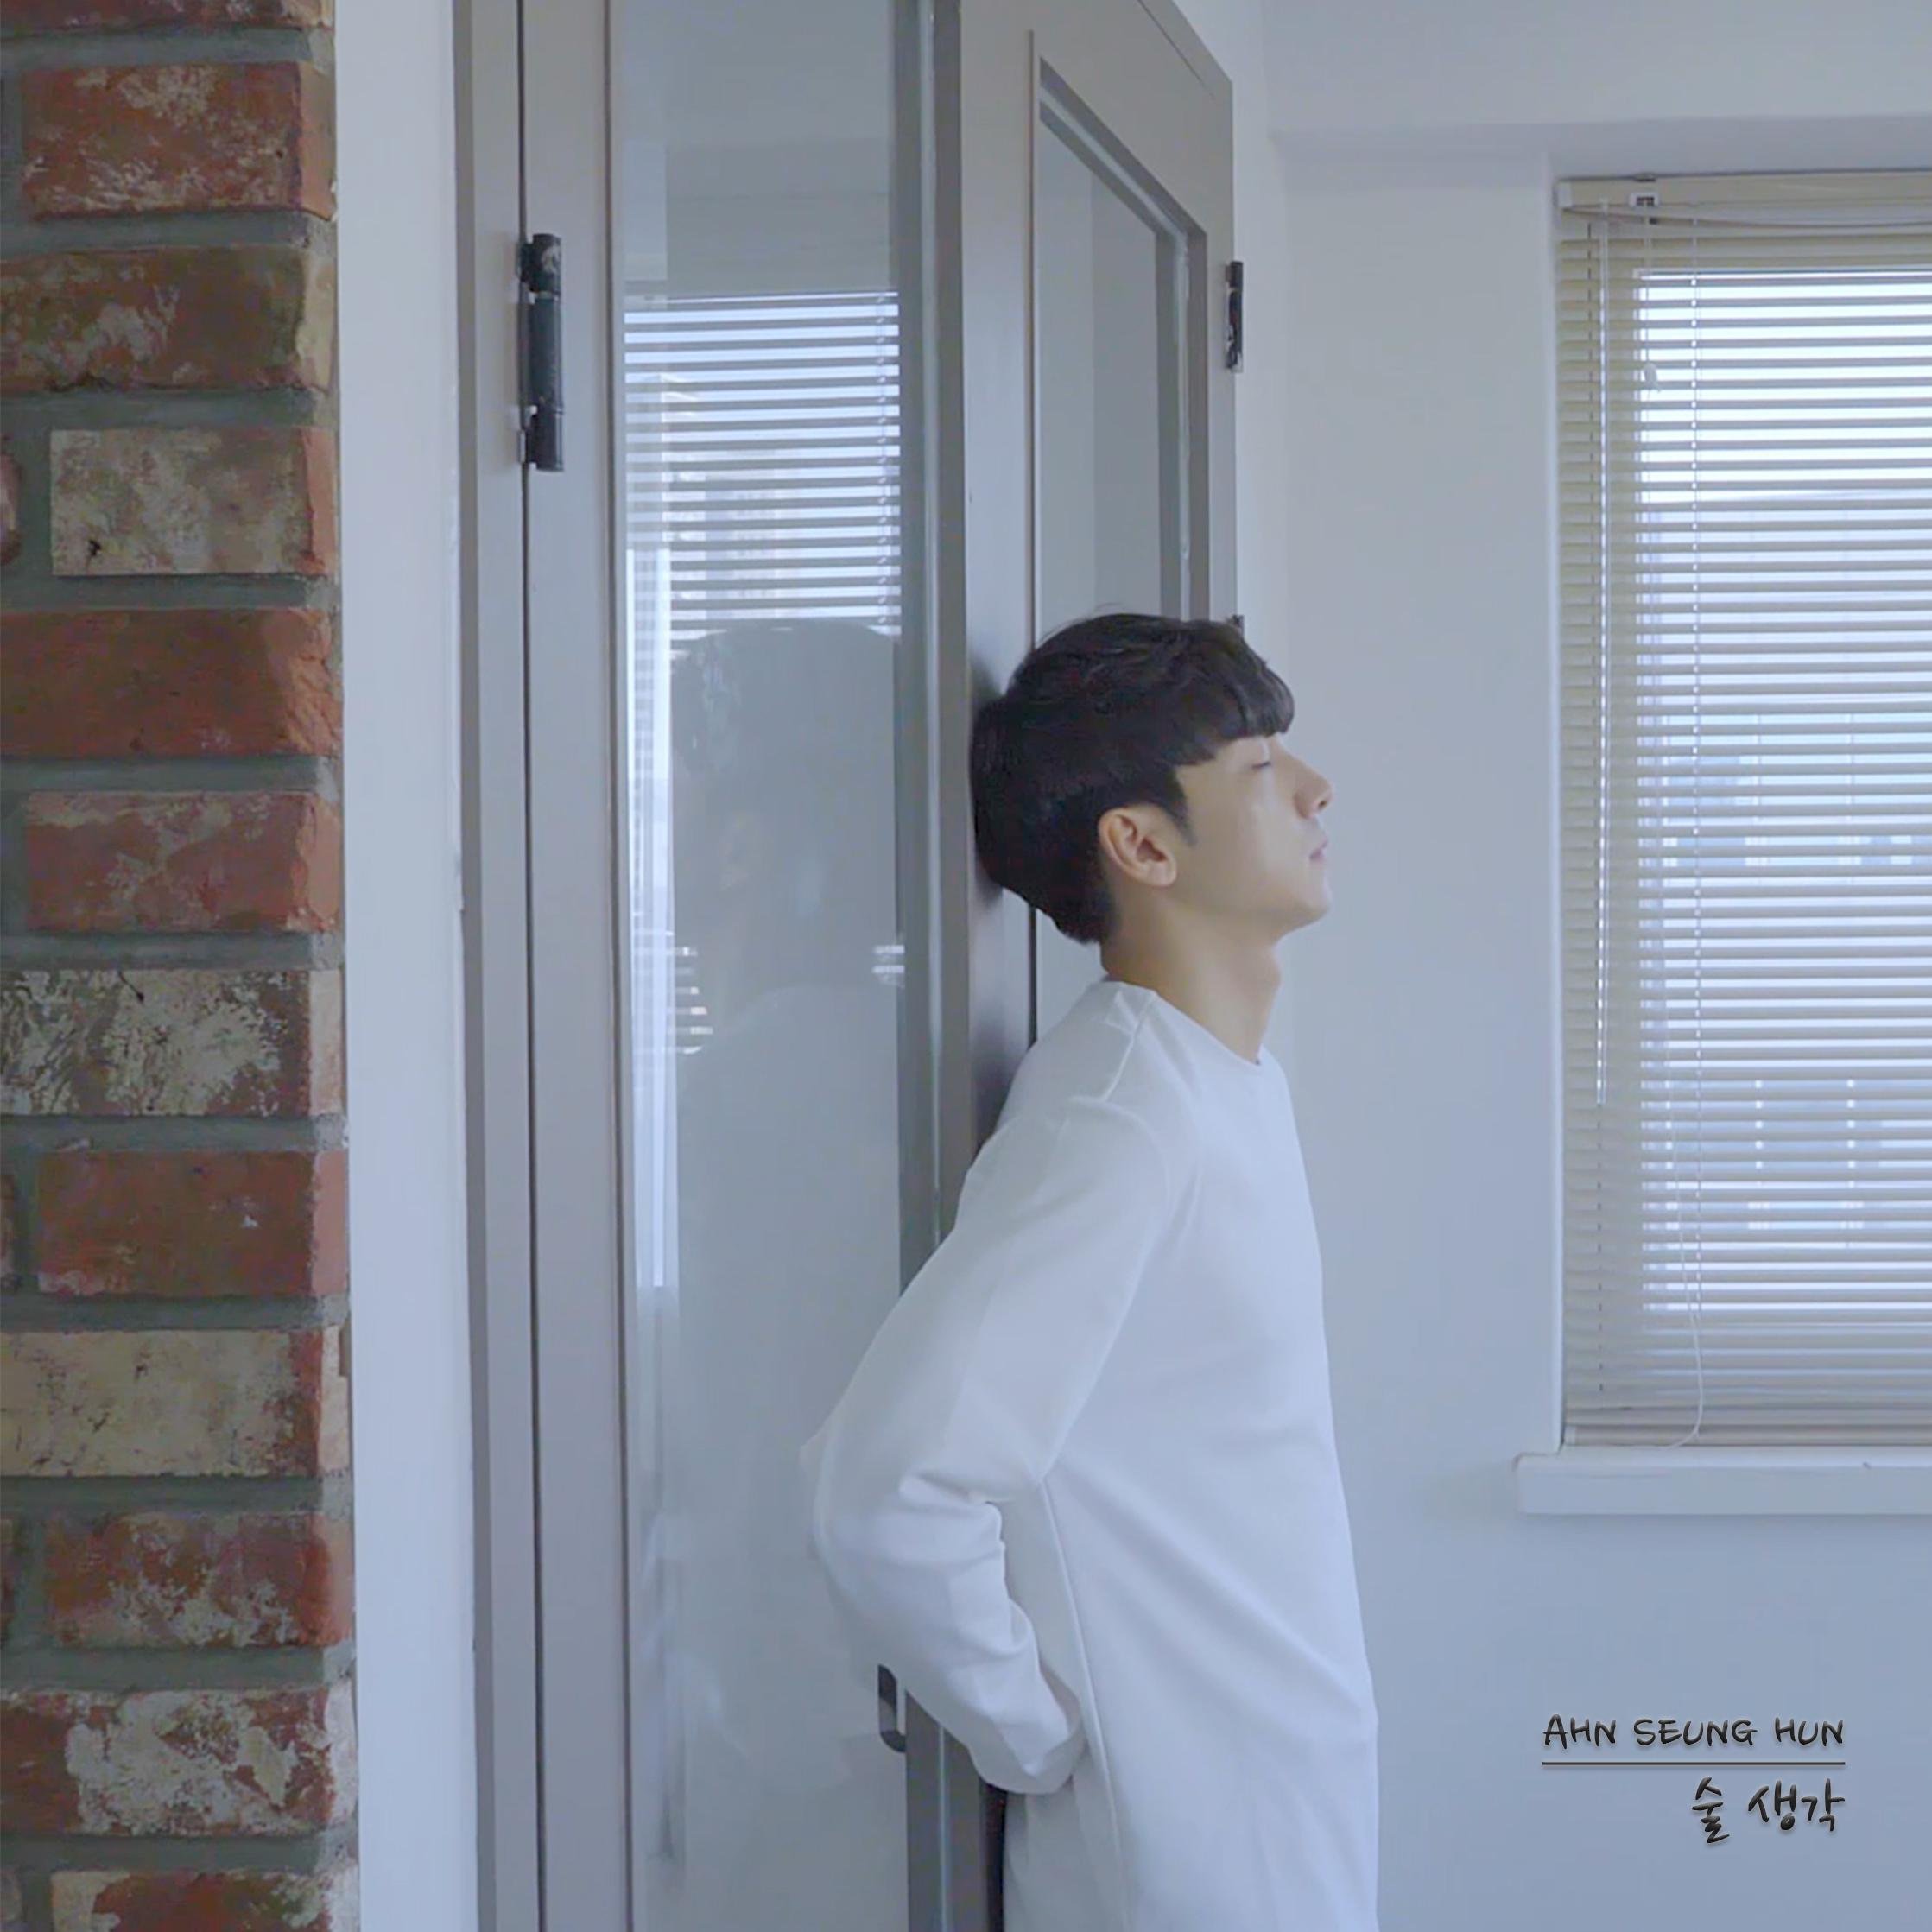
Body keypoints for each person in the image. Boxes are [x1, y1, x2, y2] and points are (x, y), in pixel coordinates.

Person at [797, 611, 1379, 1930]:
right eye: (1258, 766)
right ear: (1142, 844)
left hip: (1284, 1810)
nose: (1313, 787)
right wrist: (1033, 1732)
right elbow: (878, 1485)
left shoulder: (1218, 1083)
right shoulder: (1121, 1114)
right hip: (1179, 1860)